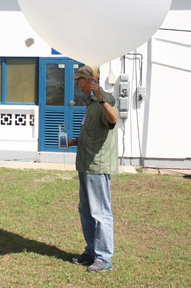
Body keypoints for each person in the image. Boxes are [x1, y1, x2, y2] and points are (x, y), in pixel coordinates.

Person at [68, 65, 118, 273]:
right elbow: (93, 133)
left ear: (88, 81)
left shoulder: (104, 100)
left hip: (97, 166)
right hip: (85, 165)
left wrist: (100, 97)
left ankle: (104, 257)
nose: (76, 83)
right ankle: (91, 251)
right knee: (86, 210)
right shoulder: (89, 103)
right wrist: (73, 141)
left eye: (78, 80)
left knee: (100, 212)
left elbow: (113, 119)